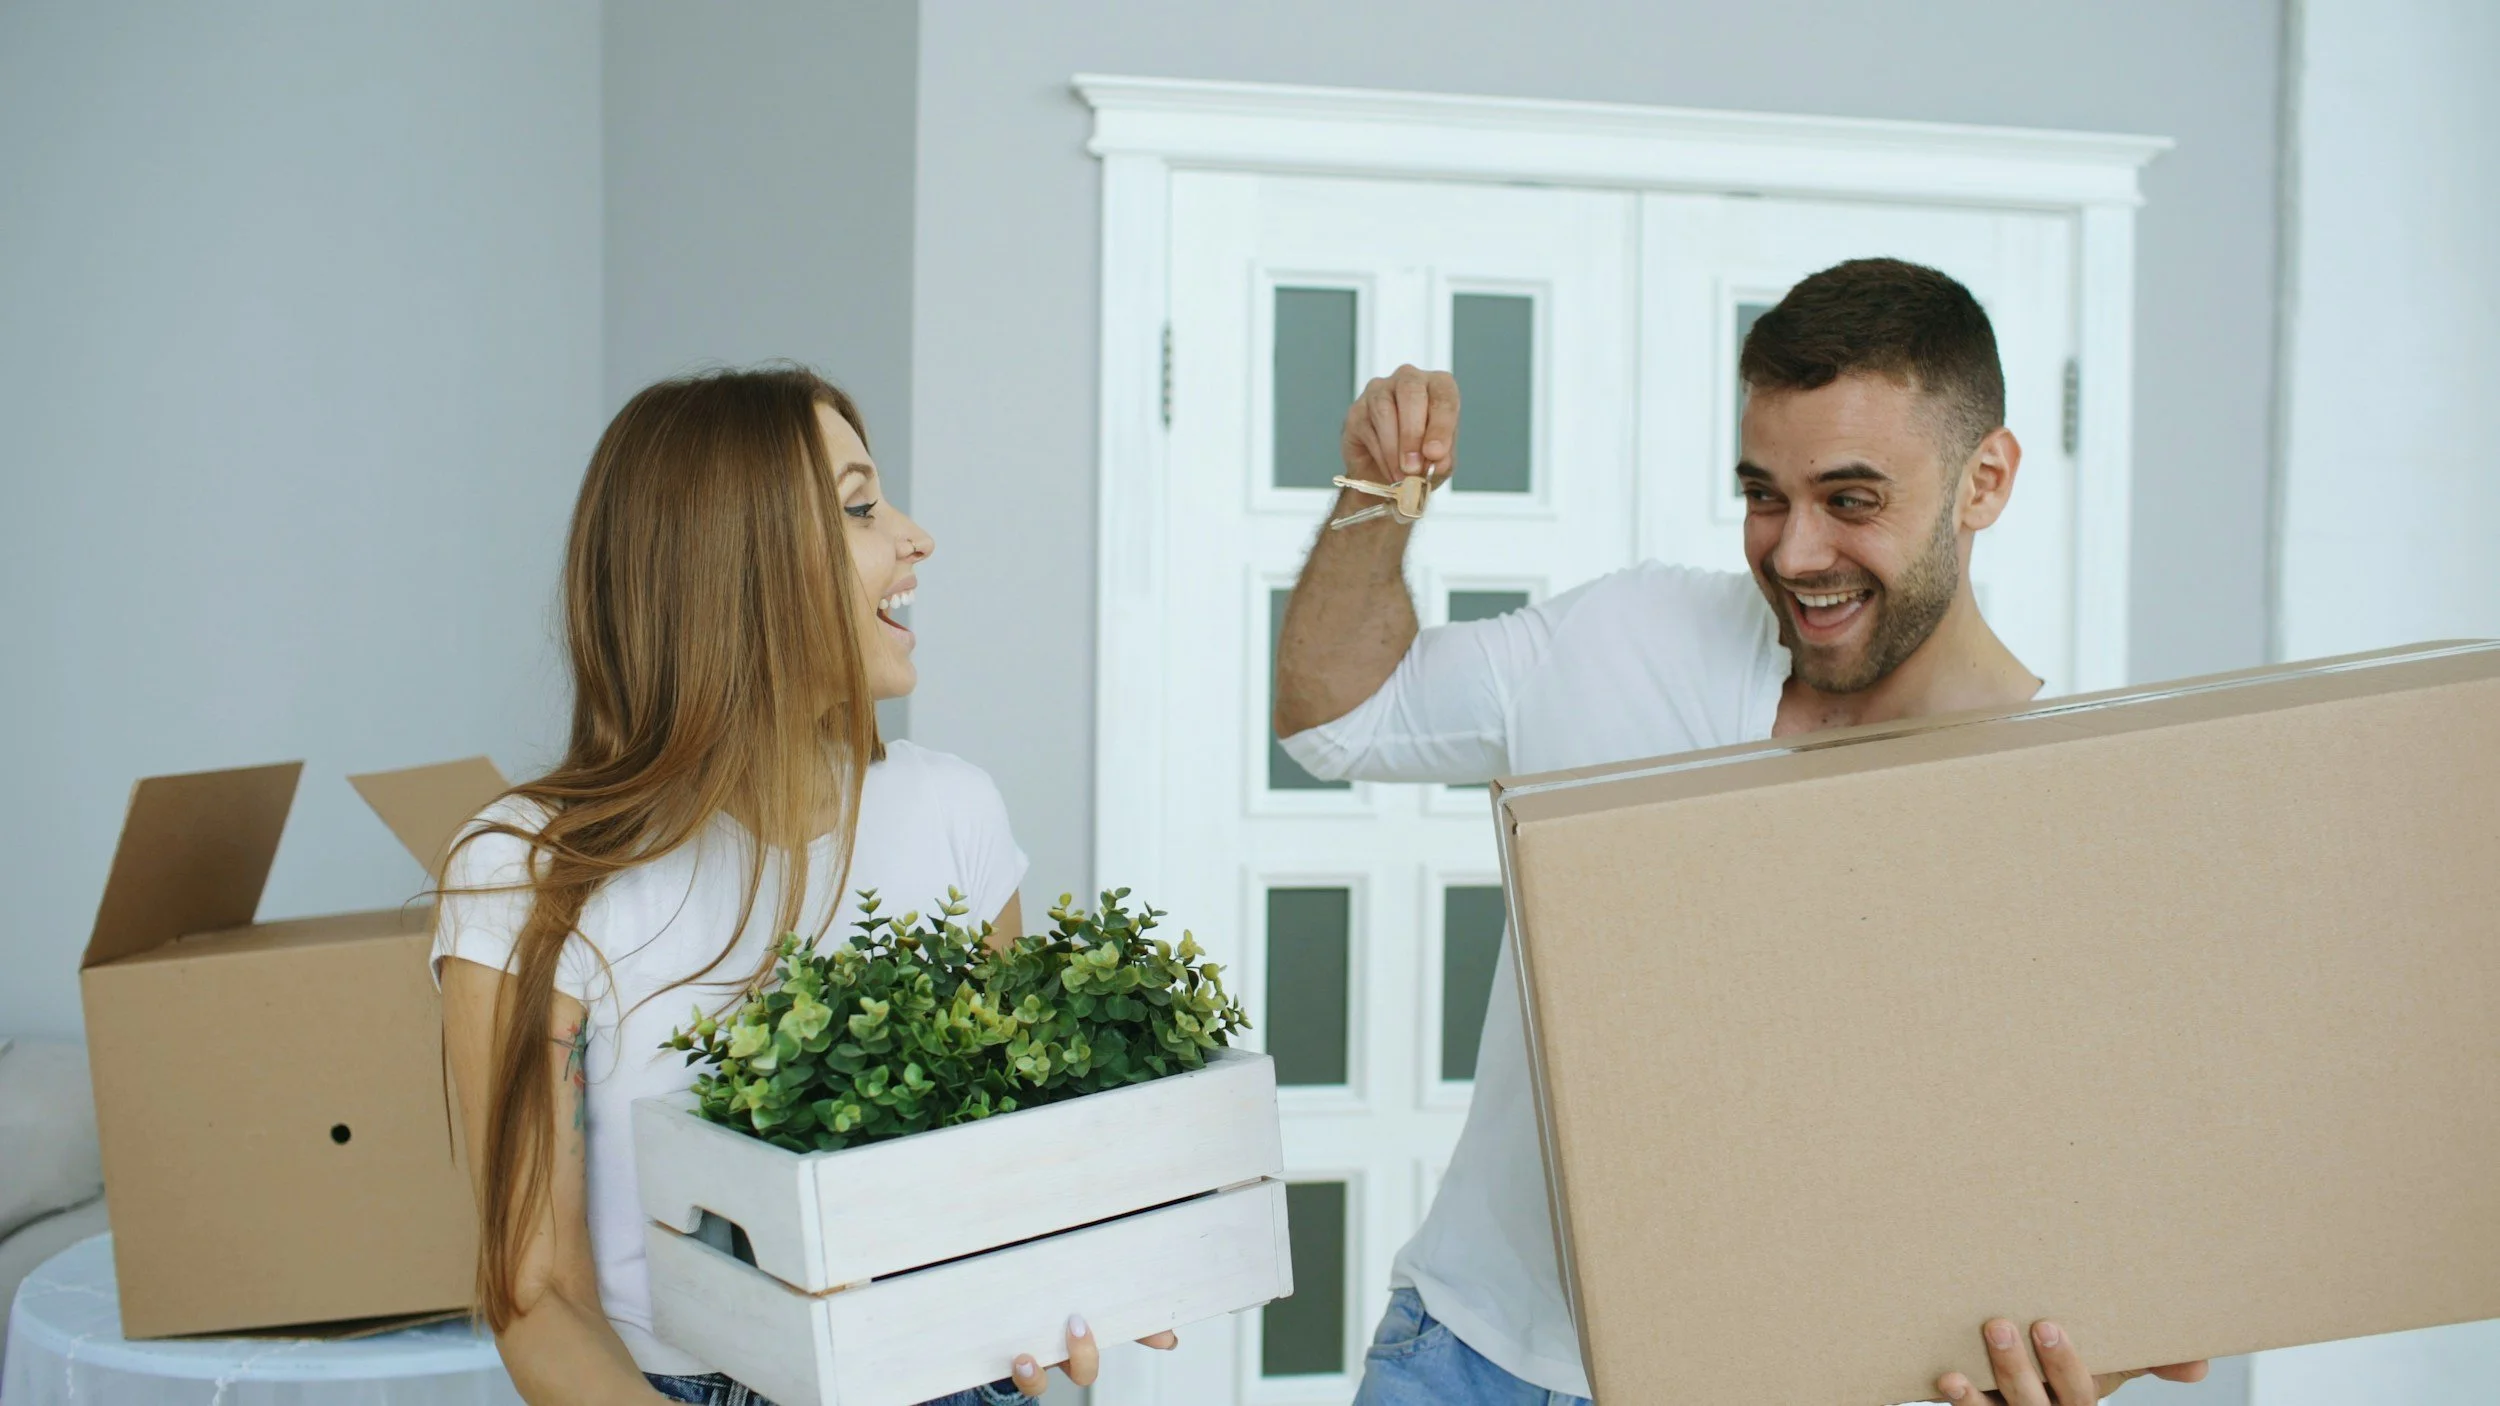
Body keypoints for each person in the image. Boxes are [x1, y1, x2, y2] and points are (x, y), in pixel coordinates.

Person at [1275, 259, 2211, 1406]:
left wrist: (2081, 1343)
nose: (1793, 551)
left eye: (1851, 499)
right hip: (1473, 1358)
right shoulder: (1631, 636)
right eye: (1765, 493)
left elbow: (2091, 1186)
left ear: (1985, 480)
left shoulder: (2066, 820)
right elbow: (1337, 716)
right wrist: (1380, 491)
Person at [432, 367, 1171, 1406]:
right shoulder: (526, 872)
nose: (915, 536)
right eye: (861, 506)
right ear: (735, 566)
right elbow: (539, 1294)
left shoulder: (956, 813)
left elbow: (1002, 1175)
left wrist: (1055, 1294)